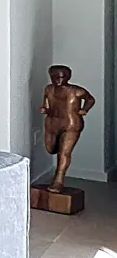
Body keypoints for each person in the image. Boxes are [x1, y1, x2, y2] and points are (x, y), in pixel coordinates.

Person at [41, 65, 95, 193]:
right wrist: (45, 108)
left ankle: (58, 180)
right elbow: (46, 102)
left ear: (67, 77)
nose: (57, 80)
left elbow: (90, 99)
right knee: (50, 148)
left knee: (63, 152)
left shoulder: (76, 91)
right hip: (52, 122)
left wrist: (84, 110)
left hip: (71, 124)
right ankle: (58, 177)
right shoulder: (49, 89)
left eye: (60, 77)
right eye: (54, 77)